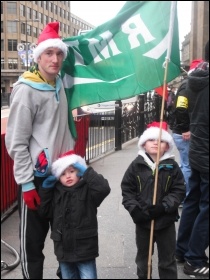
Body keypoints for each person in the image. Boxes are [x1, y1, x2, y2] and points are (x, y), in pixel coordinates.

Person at [5, 22, 75, 279]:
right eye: (49, 53)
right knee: (33, 245)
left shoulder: (59, 84)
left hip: (62, 176)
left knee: (66, 241)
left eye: (59, 54)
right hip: (36, 180)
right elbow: (16, 142)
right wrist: (26, 184)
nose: (55, 59)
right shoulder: (26, 90)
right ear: (39, 56)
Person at [121, 122, 186, 279]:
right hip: (143, 221)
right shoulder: (136, 166)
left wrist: (164, 207)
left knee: (167, 261)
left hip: (165, 222)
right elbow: (127, 190)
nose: (156, 143)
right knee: (143, 260)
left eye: (161, 140)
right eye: (151, 140)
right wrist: (135, 210)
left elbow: (178, 190)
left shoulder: (172, 166)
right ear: (144, 143)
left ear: (167, 146)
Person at [38, 150, 111, 279]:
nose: (68, 176)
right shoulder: (56, 192)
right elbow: (45, 211)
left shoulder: (88, 190)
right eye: (63, 173)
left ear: (79, 172)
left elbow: (104, 188)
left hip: (85, 248)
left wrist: (88, 172)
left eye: (72, 171)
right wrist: (46, 189)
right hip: (63, 249)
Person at [176, 41, 209, 277]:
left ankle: (182, 249)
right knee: (207, 207)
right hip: (207, 152)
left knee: (193, 200)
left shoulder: (194, 82)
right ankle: (195, 258)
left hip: (198, 148)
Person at [169, 59, 204, 200]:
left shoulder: (189, 85)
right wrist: (185, 128)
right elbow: (181, 108)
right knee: (187, 166)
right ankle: (186, 196)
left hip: (185, 131)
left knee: (189, 165)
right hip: (184, 133)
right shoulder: (187, 86)